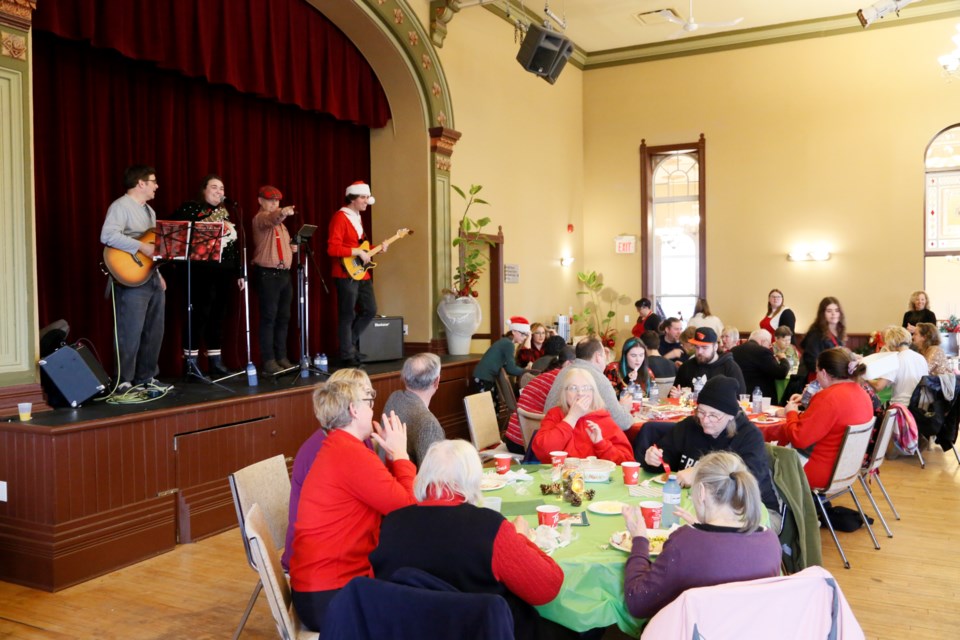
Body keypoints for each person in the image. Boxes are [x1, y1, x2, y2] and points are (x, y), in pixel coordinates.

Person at [370, 440, 564, 640]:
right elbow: (547, 588)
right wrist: (521, 537)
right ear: (473, 479)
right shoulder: (489, 527)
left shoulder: (391, 524)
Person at [289, 378, 415, 631]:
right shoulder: (350, 455)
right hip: (330, 597)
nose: (373, 409)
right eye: (369, 402)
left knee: (413, 581)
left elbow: (386, 493)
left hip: (321, 587)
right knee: (423, 604)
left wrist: (393, 459)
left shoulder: (341, 447)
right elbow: (408, 511)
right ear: (353, 410)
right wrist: (401, 455)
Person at [621, 450, 781, 620]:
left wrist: (639, 539)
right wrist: (702, 527)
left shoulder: (685, 542)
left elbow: (638, 602)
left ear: (702, 492)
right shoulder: (770, 540)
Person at [281, 368, 378, 571]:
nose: (372, 405)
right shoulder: (323, 450)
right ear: (348, 405)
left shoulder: (360, 439)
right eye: (367, 398)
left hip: (335, 546)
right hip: (317, 560)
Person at [643, 376, 778, 516]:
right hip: (697, 507)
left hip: (750, 511)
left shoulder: (749, 436)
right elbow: (665, 459)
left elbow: (746, 482)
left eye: (713, 415)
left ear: (731, 416)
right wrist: (653, 459)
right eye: (701, 412)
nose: (705, 420)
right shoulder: (690, 426)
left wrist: (698, 473)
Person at [99, 165, 171, 392]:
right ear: (141, 183)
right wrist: (140, 246)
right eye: (153, 181)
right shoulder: (120, 206)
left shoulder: (150, 211)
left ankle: (146, 377)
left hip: (150, 277)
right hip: (129, 278)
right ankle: (123, 381)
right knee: (129, 330)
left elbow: (153, 249)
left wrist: (158, 273)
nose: (157, 186)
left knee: (154, 329)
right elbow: (108, 235)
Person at [173, 174, 244, 377]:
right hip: (198, 273)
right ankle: (191, 364)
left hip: (223, 273)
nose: (219, 192)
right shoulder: (191, 209)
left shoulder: (226, 213)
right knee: (197, 316)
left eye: (222, 189)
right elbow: (176, 234)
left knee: (218, 317)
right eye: (214, 187)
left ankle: (215, 362)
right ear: (204, 189)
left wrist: (239, 272)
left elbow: (232, 246)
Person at [775, 348, 874, 489]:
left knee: (763, 455)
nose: (816, 377)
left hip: (819, 471)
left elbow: (798, 438)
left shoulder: (828, 397)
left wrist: (791, 413)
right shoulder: (862, 393)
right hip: (847, 468)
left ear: (824, 373)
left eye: (816, 372)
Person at [533, 367, 635, 463]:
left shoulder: (603, 419)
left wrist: (601, 443)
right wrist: (572, 417)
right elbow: (542, 452)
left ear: (593, 392)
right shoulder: (555, 414)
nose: (580, 393)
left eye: (586, 388)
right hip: (559, 478)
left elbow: (627, 462)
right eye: (573, 388)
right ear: (565, 393)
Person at [327, 181, 380, 366]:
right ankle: (347, 353)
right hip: (345, 273)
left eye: (367, 197)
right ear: (352, 198)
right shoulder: (340, 218)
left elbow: (360, 246)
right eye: (363, 197)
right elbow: (333, 248)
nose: (367, 201)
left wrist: (376, 249)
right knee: (347, 314)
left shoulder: (357, 217)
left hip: (361, 273)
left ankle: (349, 345)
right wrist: (357, 252)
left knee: (370, 309)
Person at [251, 185, 296, 375]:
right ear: (260, 201)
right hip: (268, 275)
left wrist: (292, 248)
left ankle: (281, 357)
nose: (274, 204)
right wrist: (282, 212)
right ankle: (269, 360)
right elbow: (271, 218)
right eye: (270, 200)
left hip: (284, 275)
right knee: (269, 318)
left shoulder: (282, 226)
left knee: (283, 318)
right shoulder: (261, 218)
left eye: (277, 201)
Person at [544, 337, 635, 430]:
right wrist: (624, 407)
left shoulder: (564, 371)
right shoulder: (598, 378)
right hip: (572, 436)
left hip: (549, 429)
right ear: (598, 357)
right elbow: (622, 423)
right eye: (604, 355)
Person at [503, 346, 575, 453]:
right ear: (568, 364)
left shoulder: (547, 375)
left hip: (512, 438)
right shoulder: (562, 381)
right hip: (527, 442)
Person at [383, 353, 445, 467]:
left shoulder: (394, 398)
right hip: (408, 482)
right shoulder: (429, 425)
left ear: (405, 378)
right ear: (437, 381)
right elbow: (433, 477)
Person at [670, 328, 746, 397]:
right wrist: (675, 396)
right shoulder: (686, 367)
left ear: (715, 347)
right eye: (697, 347)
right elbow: (673, 395)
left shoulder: (730, 367)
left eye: (704, 347)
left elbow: (739, 399)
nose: (699, 352)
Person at [869, 325, 929, 406]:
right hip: (920, 406)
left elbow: (878, 387)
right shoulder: (921, 357)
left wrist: (863, 378)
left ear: (890, 342)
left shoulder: (894, 359)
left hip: (901, 408)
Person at [472, 316, 530, 392]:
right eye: (523, 334)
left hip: (482, 376)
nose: (525, 337)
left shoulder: (505, 341)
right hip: (484, 378)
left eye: (526, 335)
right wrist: (527, 371)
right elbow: (511, 369)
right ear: (513, 331)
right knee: (488, 403)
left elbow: (507, 366)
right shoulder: (509, 344)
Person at [731, 329, 790, 401]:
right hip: (759, 398)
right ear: (763, 341)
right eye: (769, 344)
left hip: (737, 395)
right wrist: (783, 359)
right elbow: (781, 373)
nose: (769, 347)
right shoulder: (762, 351)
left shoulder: (734, 350)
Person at [800, 297, 846, 382]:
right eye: (829, 311)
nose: (833, 314)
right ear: (822, 314)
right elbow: (811, 363)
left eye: (836, 310)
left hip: (833, 378)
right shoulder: (815, 334)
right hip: (819, 380)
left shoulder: (838, 332)